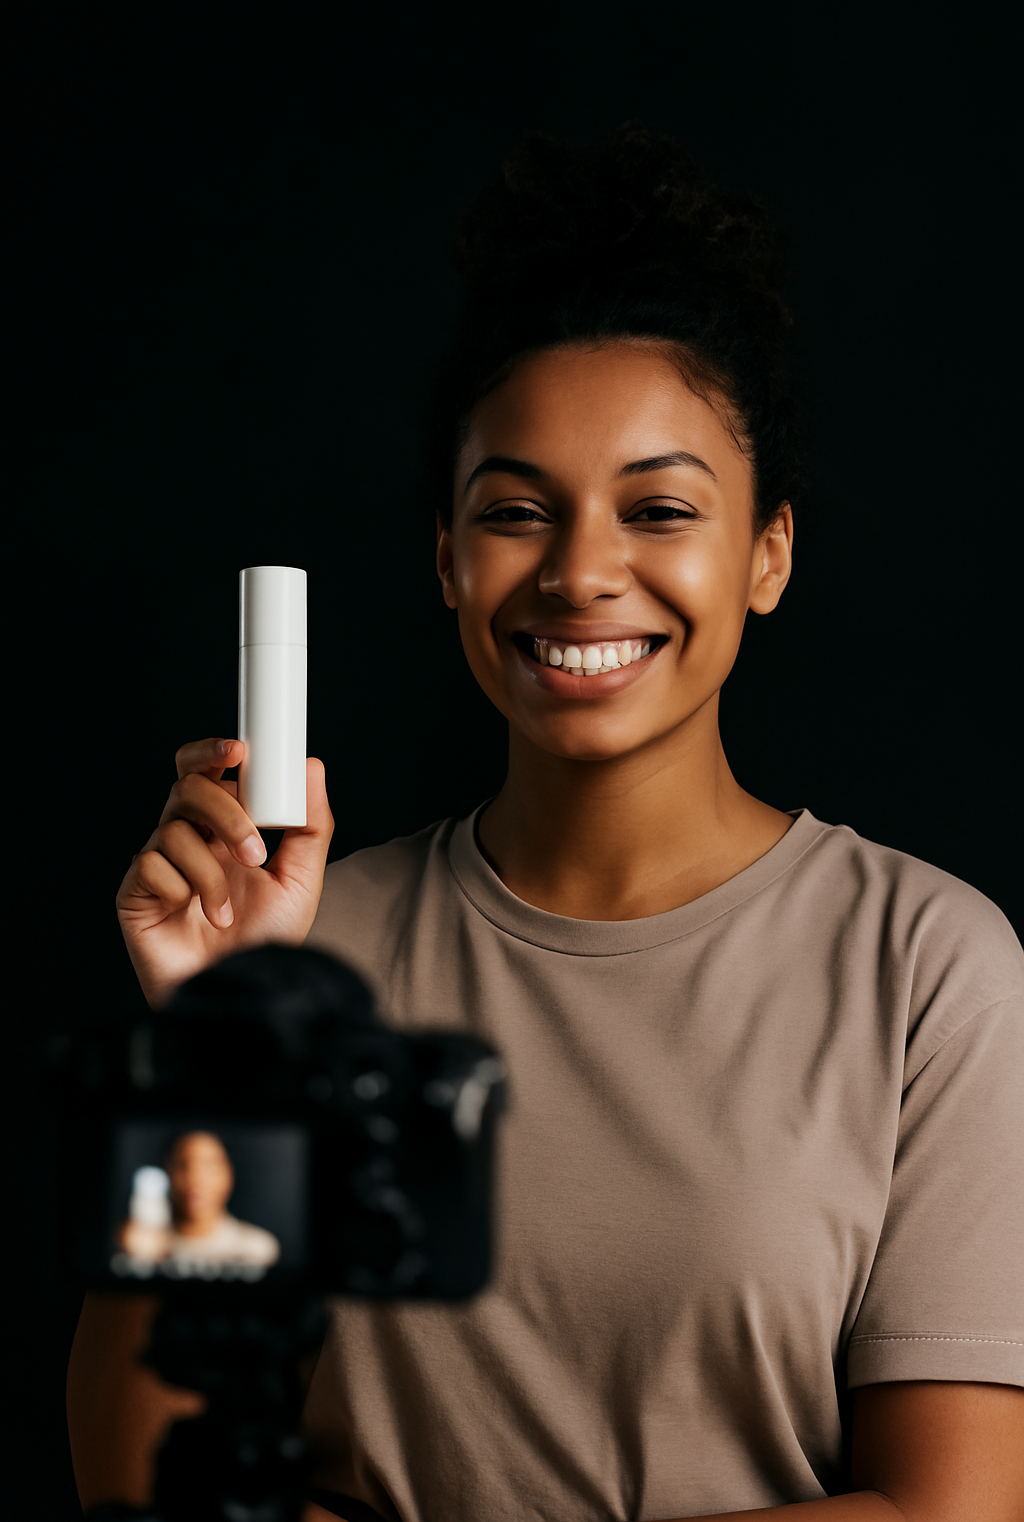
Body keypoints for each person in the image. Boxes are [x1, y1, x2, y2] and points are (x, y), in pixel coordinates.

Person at [107, 125, 1022, 1520]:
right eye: (517, 511)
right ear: (448, 560)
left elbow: (950, 1509)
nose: (583, 571)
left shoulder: (927, 968)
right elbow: (144, 1473)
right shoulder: (303, 949)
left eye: (659, 509)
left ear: (768, 550)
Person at [115, 1131, 280, 1274]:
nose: (195, 1179)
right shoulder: (140, 1247)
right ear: (166, 1174)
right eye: (182, 1166)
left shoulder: (257, 1249)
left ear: (229, 1174)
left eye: (209, 1166)